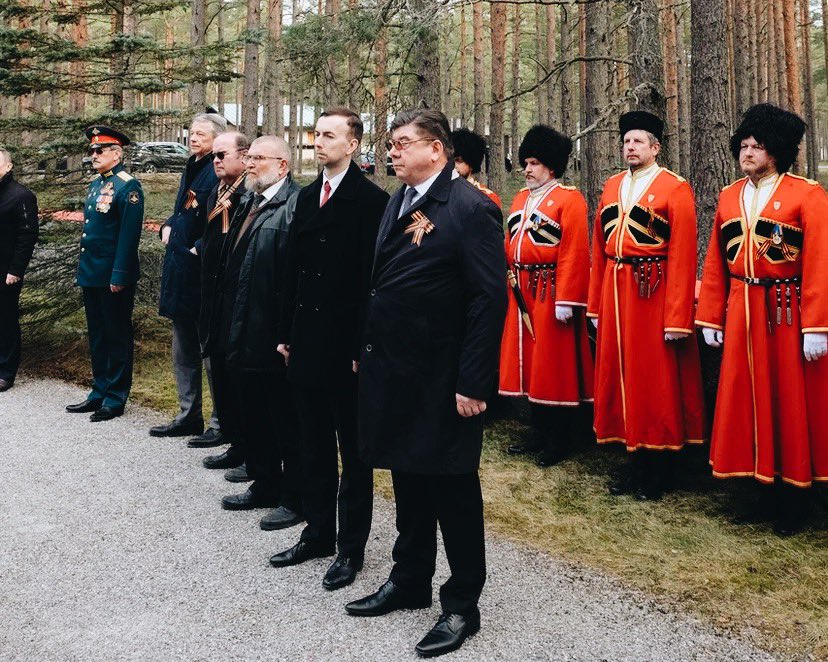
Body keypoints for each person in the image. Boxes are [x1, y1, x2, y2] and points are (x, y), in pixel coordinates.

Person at [345, 109, 507, 658]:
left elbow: (489, 300)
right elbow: (381, 285)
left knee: (453, 486)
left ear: (436, 150)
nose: (391, 152)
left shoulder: (470, 208)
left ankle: (462, 604)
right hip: (396, 369)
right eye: (390, 144)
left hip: (445, 376)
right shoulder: (399, 200)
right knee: (408, 477)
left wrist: (474, 381)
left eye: (402, 143)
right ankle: (409, 578)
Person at [271, 107, 389, 591]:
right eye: (315, 134)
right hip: (305, 341)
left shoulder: (371, 201)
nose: (318, 142)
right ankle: (318, 532)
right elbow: (290, 270)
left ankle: (350, 549)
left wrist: (364, 343)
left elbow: (372, 282)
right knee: (311, 442)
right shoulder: (303, 198)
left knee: (352, 452)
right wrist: (285, 331)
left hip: (346, 345)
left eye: (328, 135)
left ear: (353, 144)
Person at [696, 103, 828, 535]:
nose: (747, 152)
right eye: (744, 145)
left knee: (787, 399)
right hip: (742, 310)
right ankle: (758, 489)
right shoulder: (729, 196)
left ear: (778, 151)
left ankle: (795, 498)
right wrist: (710, 316)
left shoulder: (807, 194)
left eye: (758, 146)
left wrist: (817, 325)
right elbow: (716, 262)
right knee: (747, 397)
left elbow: (820, 263)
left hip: (787, 313)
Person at [586, 111, 705, 501]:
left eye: (638, 141)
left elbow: (684, 255)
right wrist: (595, 305)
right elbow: (598, 248)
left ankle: (661, 466)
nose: (630, 147)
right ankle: (633, 456)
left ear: (656, 147)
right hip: (616, 290)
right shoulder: (611, 186)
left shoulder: (675, 188)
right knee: (622, 375)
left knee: (654, 378)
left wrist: (677, 317)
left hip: (653, 290)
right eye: (626, 141)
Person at [204, 136, 305, 521]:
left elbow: (291, 275)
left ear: (282, 165)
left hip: (270, 328)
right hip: (242, 324)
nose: (249, 164)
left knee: (283, 418)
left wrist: (285, 331)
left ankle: (293, 496)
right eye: (248, 157)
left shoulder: (293, 205)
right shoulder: (250, 201)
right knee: (255, 412)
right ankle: (264, 482)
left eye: (258, 158)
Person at [498, 125, 593, 466]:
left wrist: (567, 299)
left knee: (553, 365)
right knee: (530, 366)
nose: (527, 169)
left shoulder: (569, 199)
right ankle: (537, 431)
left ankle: (559, 439)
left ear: (551, 166)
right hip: (520, 288)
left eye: (534, 162)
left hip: (551, 290)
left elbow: (574, 252)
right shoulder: (522, 198)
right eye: (526, 162)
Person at [151, 113, 224, 439]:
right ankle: (188, 415)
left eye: (202, 134)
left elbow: (222, 220)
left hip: (201, 274)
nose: (194, 138)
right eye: (192, 132)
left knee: (209, 353)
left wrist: (198, 247)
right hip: (180, 272)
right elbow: (185, 209)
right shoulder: (192, 165)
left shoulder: (217, 169)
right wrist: (168, 223)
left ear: (218, 138)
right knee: (183, 351)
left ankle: (220, 422)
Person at [65, 126, 144, 421]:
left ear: (117, 153)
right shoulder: (96, 185)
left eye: (100, 151)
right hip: (92, 273)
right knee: (98, 336)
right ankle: (99, 391)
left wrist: (119, 275)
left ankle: (116, 396)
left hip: (113, 276)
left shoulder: (128, 187)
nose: (94, 155)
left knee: (116, 335)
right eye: (92, 151)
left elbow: (128, 236)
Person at [190, 131, 249, 454]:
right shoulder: (215, 191)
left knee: (235, 371)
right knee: (219, 367)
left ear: (243, 156)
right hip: (211, 292)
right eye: (214, 155)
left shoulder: (246, 196)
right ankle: (230, 436)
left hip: (234, 294)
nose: (215, 160)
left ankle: (242, 443)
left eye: (222, 155)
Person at [0, 148, 38, 392]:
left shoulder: (21, 195)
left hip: (6, 271)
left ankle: (5, 371)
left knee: (5, 319)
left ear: (8, 166)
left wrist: (16, 270)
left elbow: (28, 235)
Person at [450, 128, 502, 207]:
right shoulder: (436, 193)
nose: (453, 165)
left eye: (458, 161)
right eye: (449, 160)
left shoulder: (487, 198)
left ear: (471, 164)